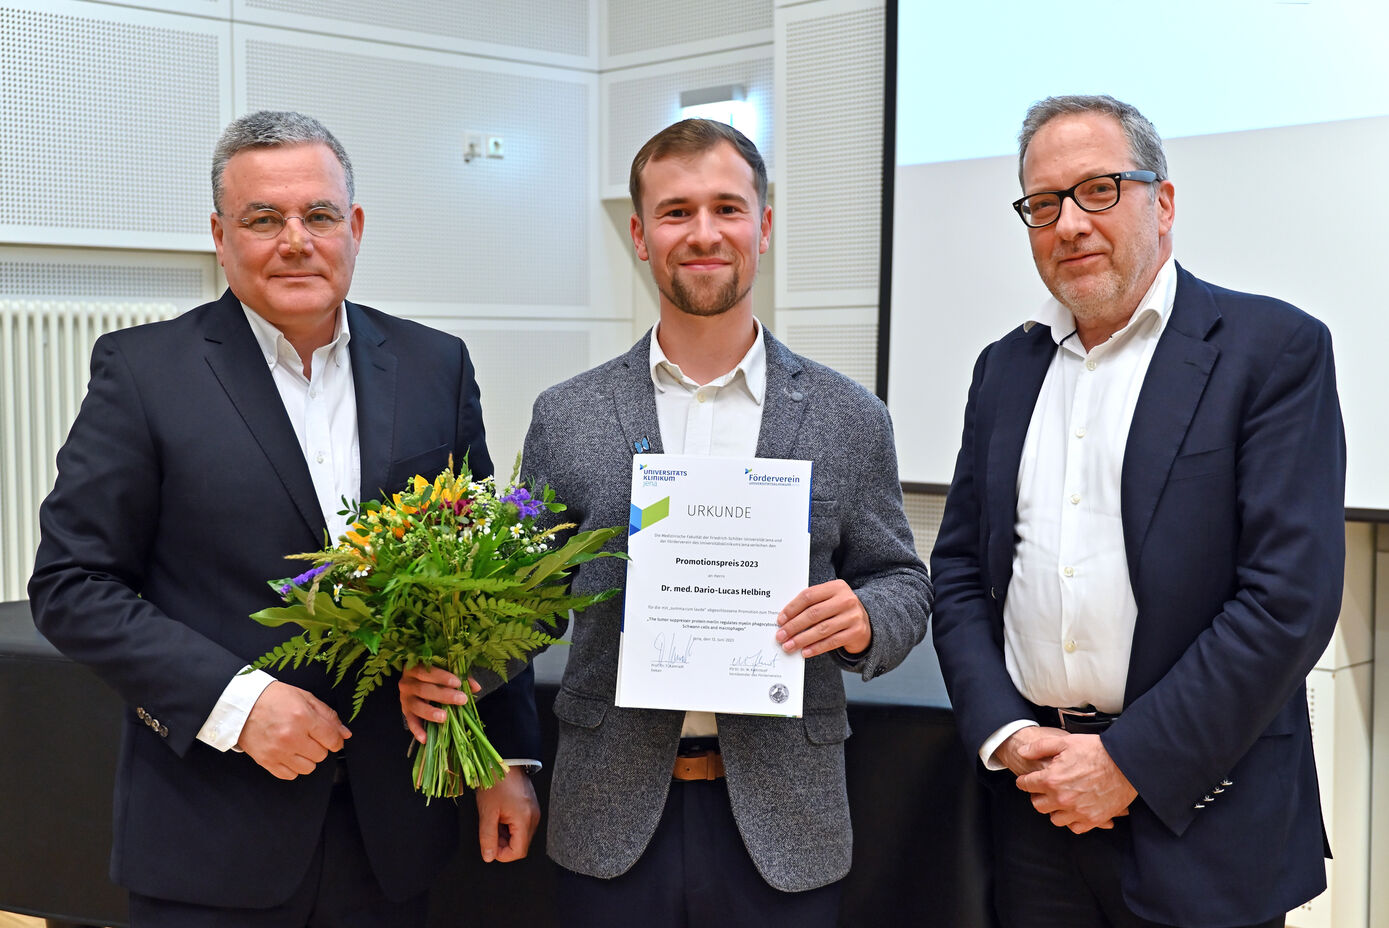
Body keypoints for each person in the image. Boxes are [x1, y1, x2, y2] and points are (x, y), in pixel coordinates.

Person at [402, 118, 932, 926]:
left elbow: (900, 578)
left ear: (763, 225)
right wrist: (460, 677)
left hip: (786, 818)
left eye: (727, 207)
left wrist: (863, 618)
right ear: (640, 235)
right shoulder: (568, 414)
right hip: (610, 814)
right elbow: (525, 602)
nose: (704, 233)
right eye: (677, 212)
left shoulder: (846, 415)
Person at [28, 110, 541, 927]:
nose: (295, 240)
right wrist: (238, 703)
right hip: (213, 836)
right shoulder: (143, 372)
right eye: (263, 219)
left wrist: (501, 758)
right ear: (220, 236)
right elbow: (71, 584)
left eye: (319, 215)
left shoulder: (433, 364)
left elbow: (486, 583)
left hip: (396, 835)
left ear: (356, 227)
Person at [930, 94, 1345, 928]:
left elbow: (1286, 601)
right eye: (1042, 204)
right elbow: (962, 572)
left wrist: (1125, 763)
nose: (1069, 223)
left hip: (1203, 815)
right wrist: (1005, 734)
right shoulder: (1002, 369)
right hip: (1033, 807)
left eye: (1098, 190)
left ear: (1161, 201)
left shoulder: (1270, 351)